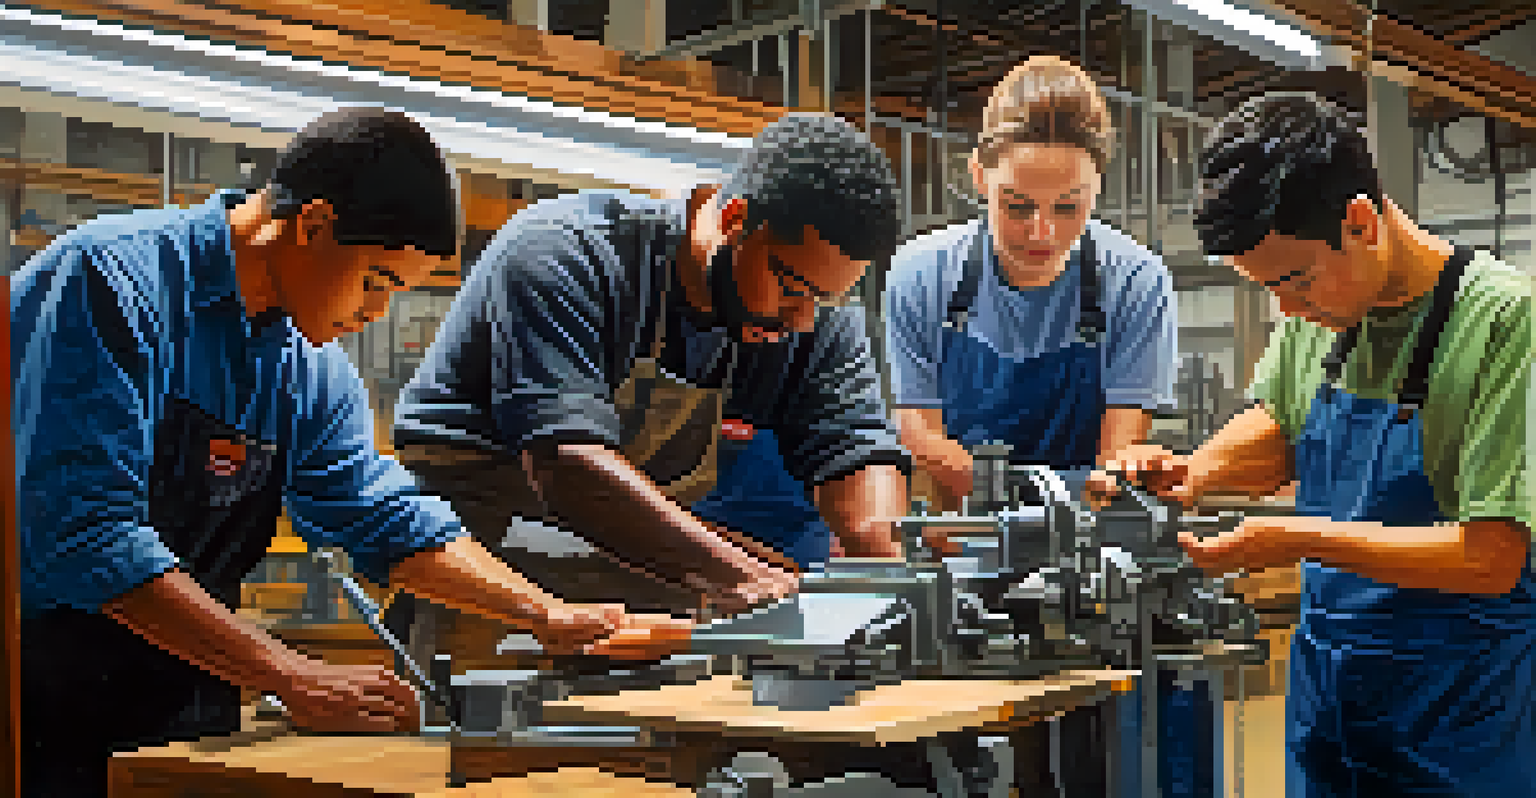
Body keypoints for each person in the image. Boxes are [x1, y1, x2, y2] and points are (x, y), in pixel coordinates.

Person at [12, 107, 689, 798]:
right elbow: (86, 536)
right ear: (312, 225)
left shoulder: (305, 365)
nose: (375, 313)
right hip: (29, 691)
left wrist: (547, 615)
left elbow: (380, 516)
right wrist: (290, 673)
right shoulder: (111, 282)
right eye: (376, 281)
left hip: (183, 689)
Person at [1092, 92, 1533, 795]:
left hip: (1457, 718)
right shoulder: (1320, 315)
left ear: (1360, 221)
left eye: (1294, 281)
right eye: (1269, 289)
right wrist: (1191, 473)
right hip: (1328, 706)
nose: (1288, 309)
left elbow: (1491, 557)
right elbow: (1280, 428)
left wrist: (1295, 538)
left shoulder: (1505, 322)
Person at [390, 112, 910, 627]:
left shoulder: (811, 319)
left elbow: (854, 447)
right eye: (793, 289)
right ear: (735, 221)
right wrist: (742, 577)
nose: (802, 319)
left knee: (746, 589)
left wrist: (891, 570)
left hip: (606, 536)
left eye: (824, 298)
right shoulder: (566, 252)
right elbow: (566, 463)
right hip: (473, 536)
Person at [882, 56, 1188, 798]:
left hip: (1088, 568)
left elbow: (1116, 459)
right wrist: (1001, 511)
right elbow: (918, 433)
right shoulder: (921, 275)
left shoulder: (1136, 282)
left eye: (1069, 207)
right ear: (979, 174)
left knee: (1094, 764)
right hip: (967, 562)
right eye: (1017, 205)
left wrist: (1041, 513)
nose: (1041, 233)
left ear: (1098, 189)